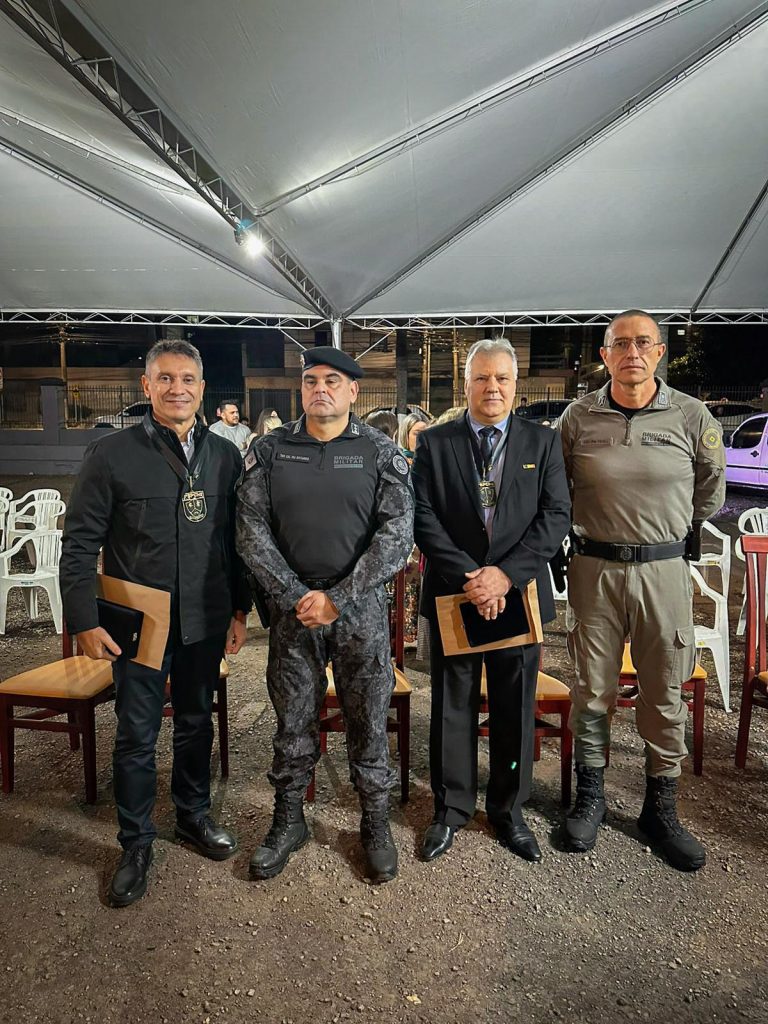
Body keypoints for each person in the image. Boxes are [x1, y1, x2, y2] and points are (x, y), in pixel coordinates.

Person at [60, 340, 250, 908]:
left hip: (205, 617)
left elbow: (236, 542)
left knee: (195, 721)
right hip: (138, 623)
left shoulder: (225, 457)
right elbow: (79, 544)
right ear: (146, 386)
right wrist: (84, 619)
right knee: (137, 733)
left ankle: (193, 815)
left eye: (188, 379)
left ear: (202, 388)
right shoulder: (110, 454)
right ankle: (136, 842)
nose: (177, 389)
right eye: (165, 378)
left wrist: (239, 609)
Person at [237, 346, 414, 884]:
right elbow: (249, 530)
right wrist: (295, 595)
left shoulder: (380, 452)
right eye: (311, 380)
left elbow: (397, 534)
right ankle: (288, 820)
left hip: (359, 613)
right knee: (292, 723)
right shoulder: (270, 450)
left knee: (368, 721)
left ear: (353, 390)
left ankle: (375, 823)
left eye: (332, 381)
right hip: (294, 614)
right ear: (302, 389)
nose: (320, 389)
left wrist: (340, 596)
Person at [557, 310, 726, 871]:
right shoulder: (578, 418)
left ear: (659, 352)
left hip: (663, 570)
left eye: (643, 343)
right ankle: (590, 798)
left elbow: (710, 493)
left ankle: (661, 808)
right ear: (604, 355)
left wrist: (666, 530)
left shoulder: (691, 415)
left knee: (665, 688)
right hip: (594, 570)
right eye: (620, 343)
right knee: (591, 687)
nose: (632, 352)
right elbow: (559, 489)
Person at [412, 338, 571, 863]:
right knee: (452, 707)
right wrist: (471, 578)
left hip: (518, 594)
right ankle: (451, 809)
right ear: (466, 384)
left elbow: (556, 515)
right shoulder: (435, 444)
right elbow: (423, 517)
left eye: (502, 378)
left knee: (514, 707)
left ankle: (508, 810)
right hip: (455, 595)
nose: (492, 387)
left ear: (515, 384)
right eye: (481, 378)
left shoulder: (542, 442)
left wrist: (504, 576)